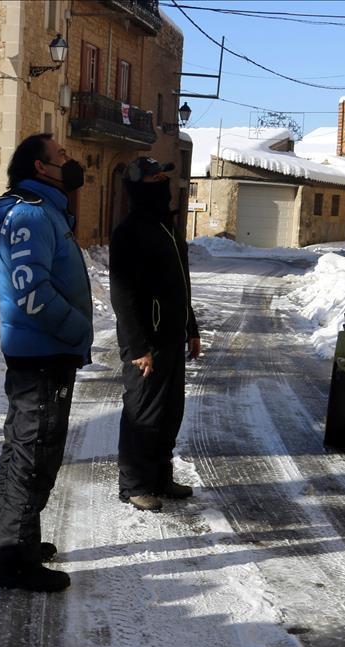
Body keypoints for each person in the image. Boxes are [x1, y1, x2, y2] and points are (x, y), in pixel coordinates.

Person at [0, 134, 91, 592]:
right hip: (42, 353)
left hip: (44, 352)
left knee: (27, 448)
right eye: (61, 155)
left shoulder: (43, 212)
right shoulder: (29, 215)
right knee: (34, 453)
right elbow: (31, 295)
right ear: (42, 168)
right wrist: (77, 330)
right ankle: (12, 562)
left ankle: (17, 540)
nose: (70, 160)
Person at [109, 157, 201, 512]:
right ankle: (134, 484)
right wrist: (138, 347)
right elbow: (122, 296)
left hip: (171, 337)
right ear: (140, 185)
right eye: (156, 176)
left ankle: (160, 476)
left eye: (165, 174)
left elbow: (180, 285)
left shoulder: (165, 226)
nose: (163, 179)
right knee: (143, 412)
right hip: (146, 342)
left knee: (169, 412)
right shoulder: (130, 231)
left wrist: (190, 327)